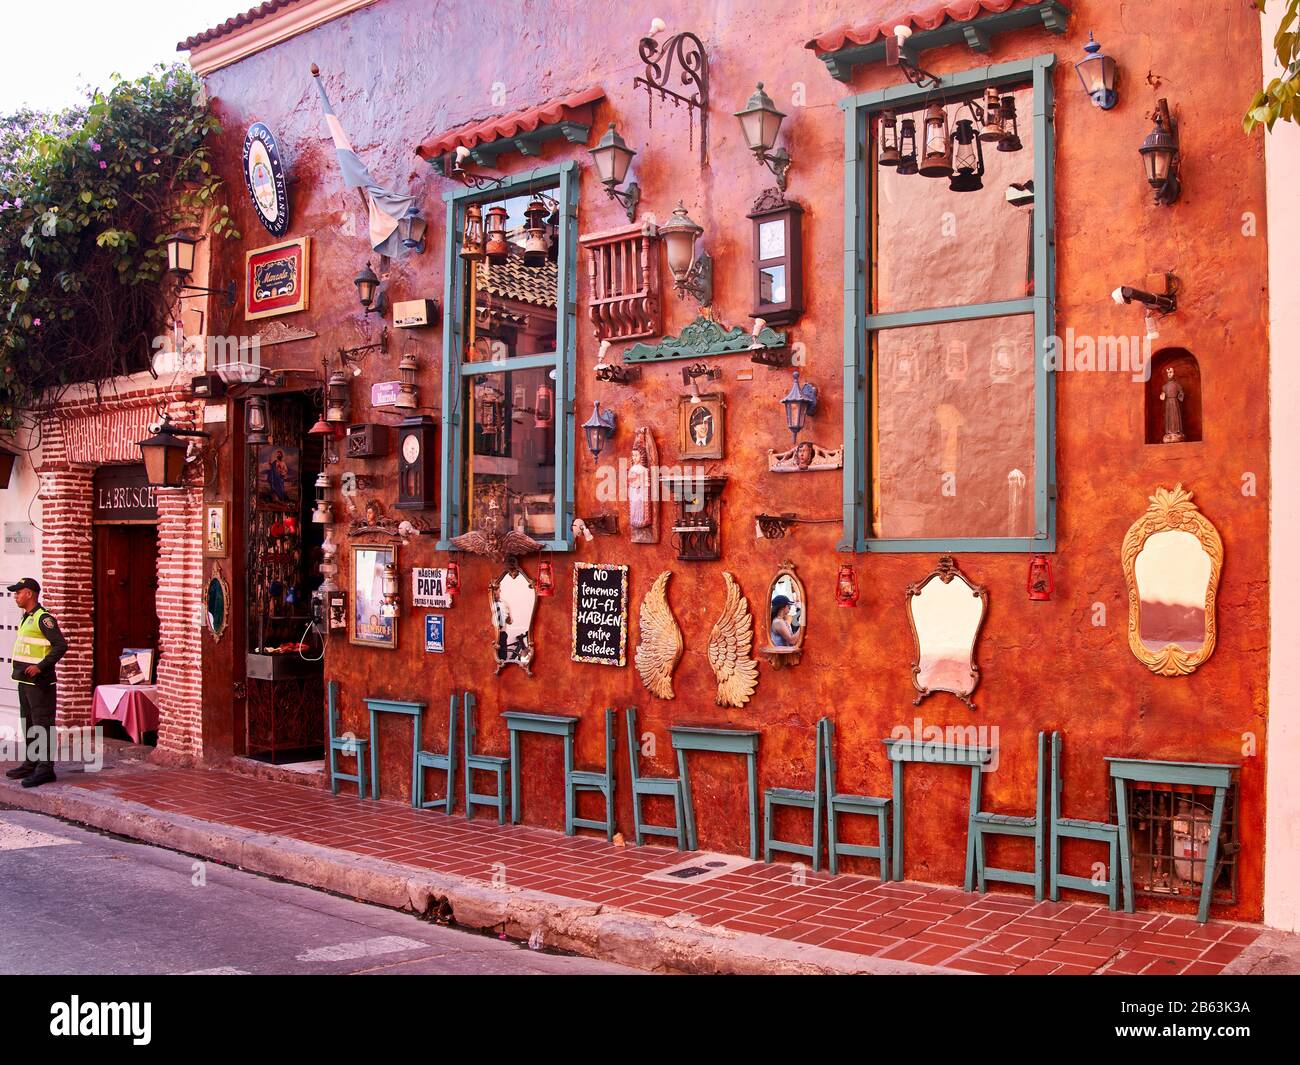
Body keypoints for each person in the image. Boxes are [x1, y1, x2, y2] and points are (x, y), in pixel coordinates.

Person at [5, 578, 67, 788]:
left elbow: (60, 646)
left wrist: (41, 666)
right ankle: (31, 762)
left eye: (18, 592)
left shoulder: (44, 618)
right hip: (24, 681)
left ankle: (45, 769)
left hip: (40, 683)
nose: (15, 596)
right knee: (29, 723)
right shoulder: (27, 617)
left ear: (29, 594)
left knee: (42, 724)